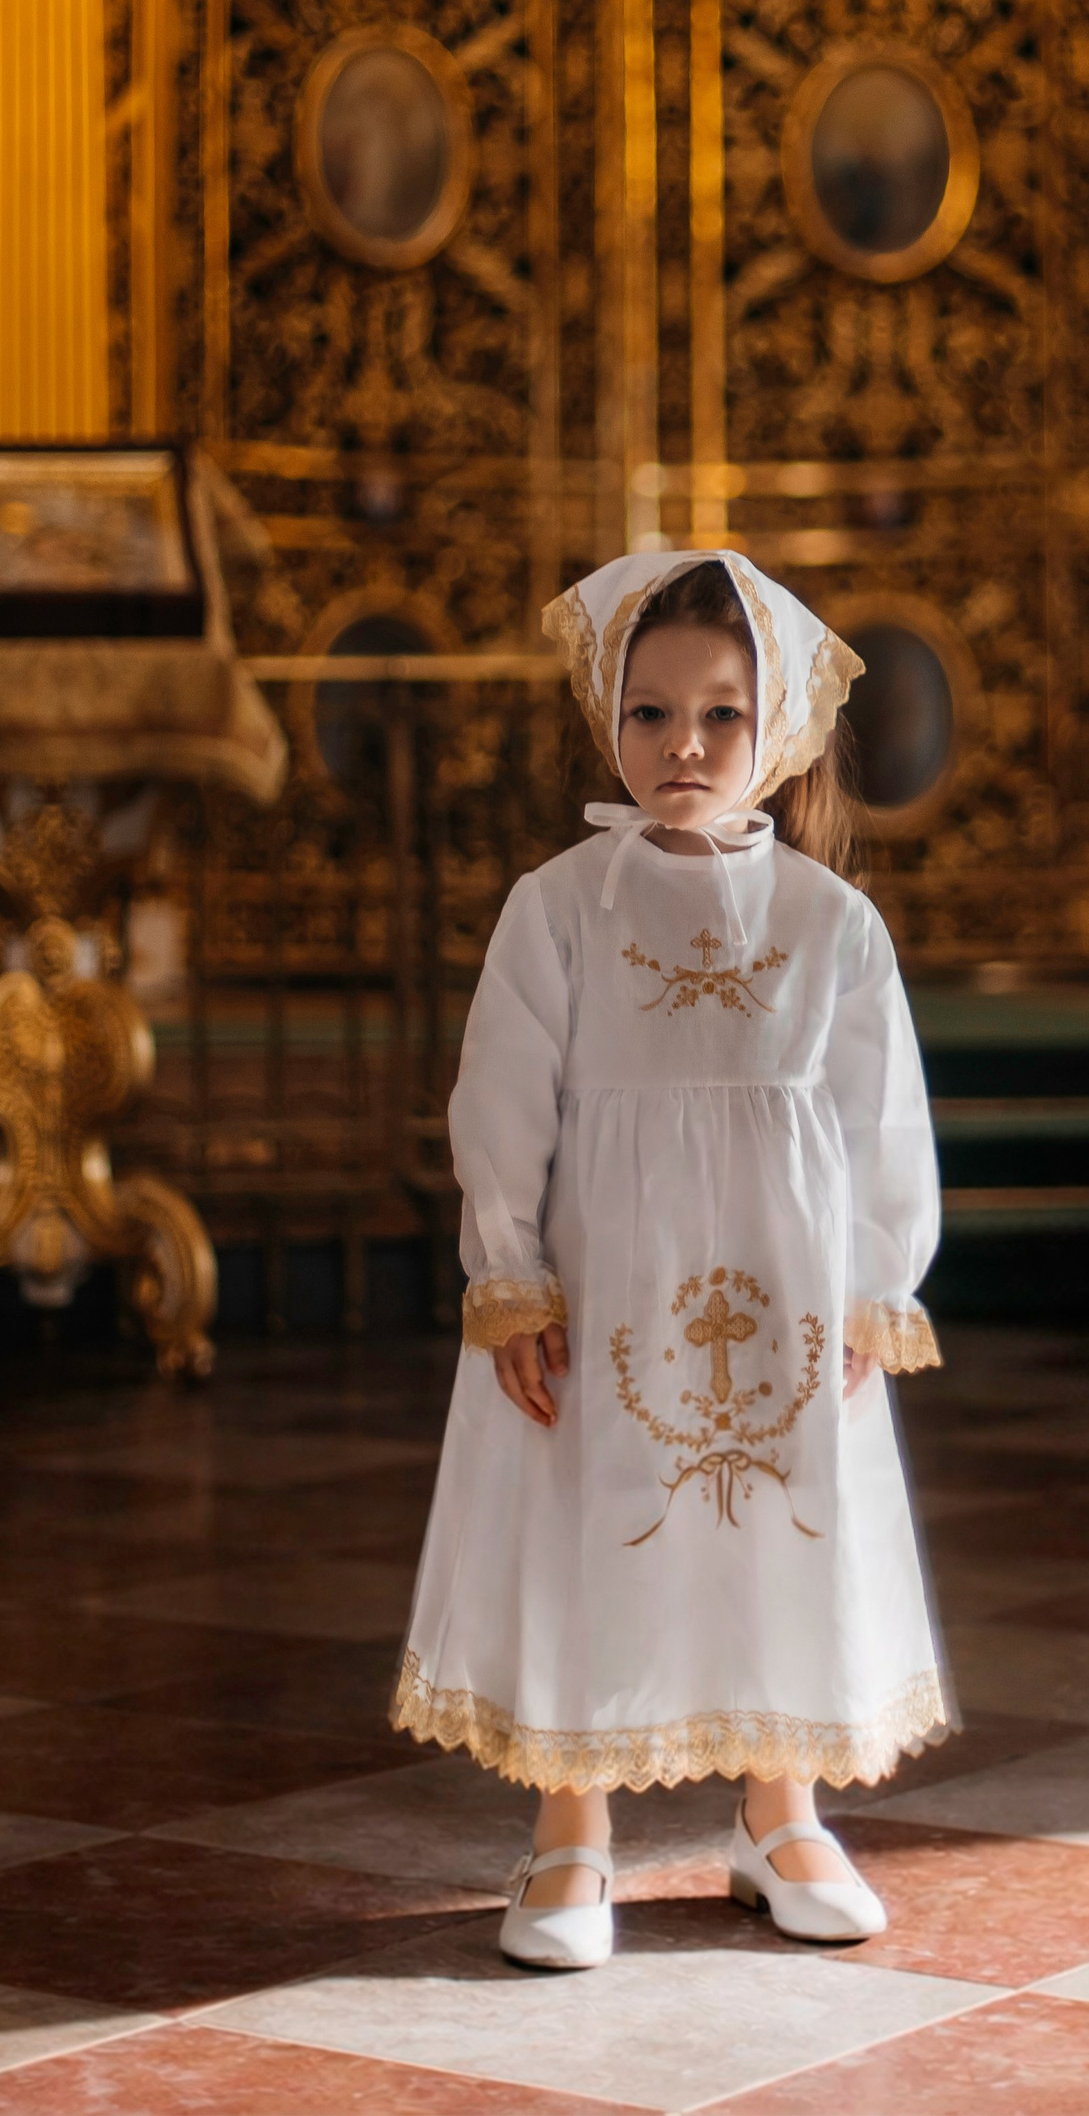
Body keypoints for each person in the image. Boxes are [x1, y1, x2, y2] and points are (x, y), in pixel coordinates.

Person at [392, 549, 950, 1969]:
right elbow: (500, 1100)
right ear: (609, 718)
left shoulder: (831, 922)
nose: (682, 745)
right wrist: (510, 1270)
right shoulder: (559, 905)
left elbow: (883, 1117)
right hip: (605, 1290)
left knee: (778, 1526)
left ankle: (780, 1812)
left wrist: (875, 1287)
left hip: (782, 1293)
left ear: (781, 726)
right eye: (650, 712)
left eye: (719, 714)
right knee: (592, 1514)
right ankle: (569, 1828)